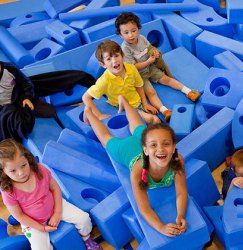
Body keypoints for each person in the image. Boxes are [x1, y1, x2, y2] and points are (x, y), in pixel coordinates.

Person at [85, 95, 188, 237]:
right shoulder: (138, 172)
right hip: (127, 151)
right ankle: (89, 114)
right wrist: (161, 227)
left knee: (138, 127)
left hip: (145, 140)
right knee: (106, 140)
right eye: (154, 145)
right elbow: (144, 208)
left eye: (166, 144)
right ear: (145, 149)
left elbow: (181, 192)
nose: (161, 149)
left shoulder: (178, 160)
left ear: (173, 146)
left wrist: (180, 215)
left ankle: (124, 101)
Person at [0, 139, 101, 250]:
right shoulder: (7, 191)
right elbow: (19, 216)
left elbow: (55, 189)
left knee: (84, 219)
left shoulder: (39, 170)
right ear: (3, 171)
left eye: (23, 165)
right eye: (13, 171)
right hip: (32, 222)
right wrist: (41, 228)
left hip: (54, 206)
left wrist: (57, 213)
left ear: (28, 159)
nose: (21, 172)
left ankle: (86, 238)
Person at [115, 12, 201, 122]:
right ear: (120, 35)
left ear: (138, 29)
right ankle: (164, 110)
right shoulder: (125, 48)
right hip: (139, 75)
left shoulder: (141, 38)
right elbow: (134, 68)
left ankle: (188, 91)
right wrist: (149, 61)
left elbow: (150, 48)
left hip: (150, 67)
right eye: (126, 32)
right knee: (151, 93)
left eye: (133, 30)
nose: (131, 35)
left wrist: (154, 53)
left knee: (166, 79)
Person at [82, 40, 160, 125]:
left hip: (138, 104)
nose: (114, 61)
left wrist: (145, 103)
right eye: (109, 59)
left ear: (122, 56)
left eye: (116, 56)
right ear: (103, 64)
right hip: (123, 110)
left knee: (155, 120)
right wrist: (99, 115)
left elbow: (139, 85)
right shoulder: (104, 81)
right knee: (154, 120)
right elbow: (86, 97)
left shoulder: (131, 68)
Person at [0, 61, 35, 141]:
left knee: (7, 119)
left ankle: (8, 143)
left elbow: (26, 83)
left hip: (12, 101)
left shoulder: (9, 69)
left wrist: (27, 97)